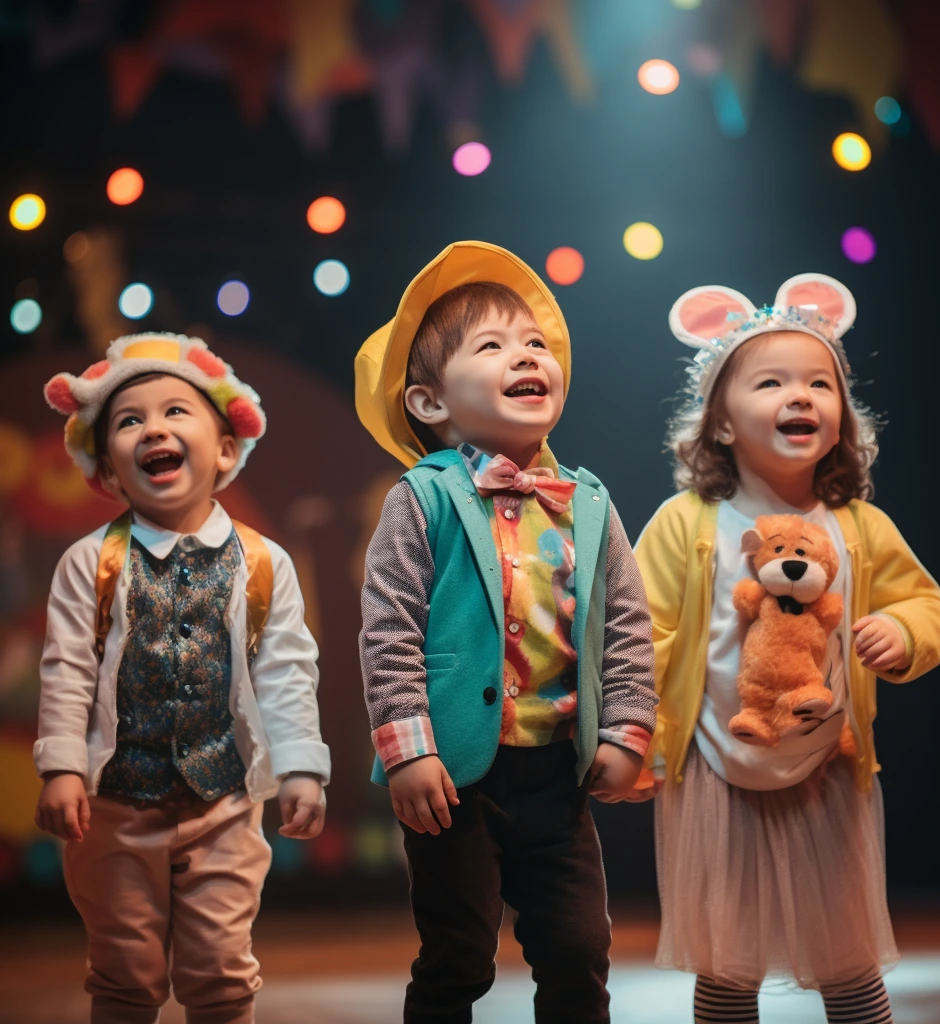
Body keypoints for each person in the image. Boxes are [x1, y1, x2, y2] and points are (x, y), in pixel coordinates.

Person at [632, 275, 940, 1024]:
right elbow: (638, 631)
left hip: (827, 767)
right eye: (770, 382)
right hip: (714, 769)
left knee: (848, 961)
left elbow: (924, 601)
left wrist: (901, 634)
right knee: (726, 964)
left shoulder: (858, 525)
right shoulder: (688, 522)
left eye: (819, 384)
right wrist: (639, 736)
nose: (800, 397)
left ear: (842, 417)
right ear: (719, 423)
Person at [354, 241, 657, 1023]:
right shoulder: (421, 499)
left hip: (557, 774)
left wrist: (626, 730)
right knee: (457, 955)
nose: (525, 355)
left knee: (580, 949)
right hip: (457, 776)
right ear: (428, 402)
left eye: (534, 344)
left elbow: (625, 625)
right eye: (492, 346)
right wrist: (409, 748)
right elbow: (388, 630)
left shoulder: (587, 501)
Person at [35, 333, 331, 1024]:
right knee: (124, 973)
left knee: (222, 971)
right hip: (114, 806)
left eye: (175, 411)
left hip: (221, 804)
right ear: (107, 472)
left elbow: (286, 668)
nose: (154, 429)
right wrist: (61, 767)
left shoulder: (263, 562)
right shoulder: (90, 563)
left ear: (226, 448)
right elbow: (67, 666)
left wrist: (299, 767)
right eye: (130, 421)